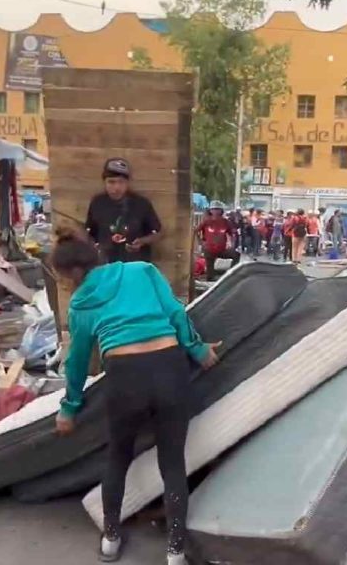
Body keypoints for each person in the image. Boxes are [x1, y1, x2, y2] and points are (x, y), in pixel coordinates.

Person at [52, 226, 218, 565]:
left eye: (64, 279)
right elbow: (175, 313)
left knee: (118, 457)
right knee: (172, 463)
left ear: (73, 273)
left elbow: (78, 362)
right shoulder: (142, 270)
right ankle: (175, 551)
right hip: (169, 368)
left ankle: (111, 538)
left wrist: (68, 408)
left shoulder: (80, 304)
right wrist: (199, 351)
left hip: (125, 378)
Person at [85, 158, 162, 263]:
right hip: (105, 266)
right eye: (111, 182)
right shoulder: (97, 203)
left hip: (134, 265)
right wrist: (97, 246)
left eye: (121, 182)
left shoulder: (141, 204)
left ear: (128, 182)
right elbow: (89, 233)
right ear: (104, 182)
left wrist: (142, 242)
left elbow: (158, 232)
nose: (116, 187)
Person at [196, 200, 240, 281]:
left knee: (236, 255)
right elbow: (196, 231)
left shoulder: (225, 222)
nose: (215, 211)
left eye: (217, 209)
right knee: (210, 277)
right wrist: (202, 243)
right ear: (210, 211)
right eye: (213, 209)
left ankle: (231, 274)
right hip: (209, 250)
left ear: (221, 211)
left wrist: (232, 244)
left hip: (222, 250)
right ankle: (211, 277)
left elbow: (232, 233)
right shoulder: (206, 221)